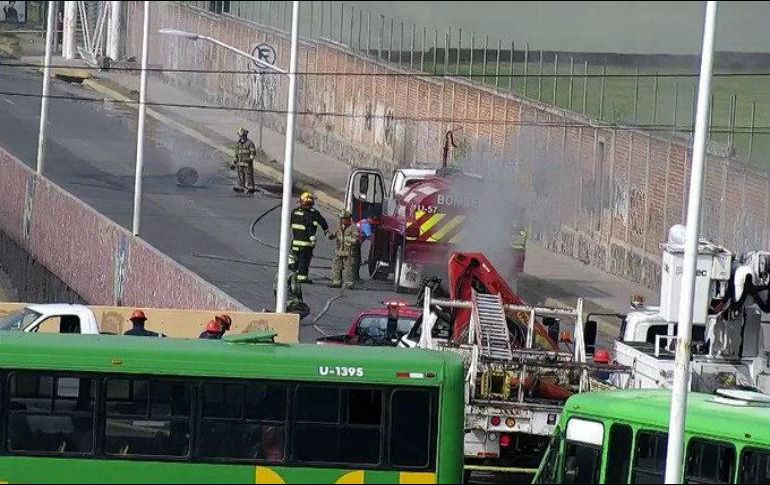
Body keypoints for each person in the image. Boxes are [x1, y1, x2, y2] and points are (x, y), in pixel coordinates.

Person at [290, 192, 328, 283]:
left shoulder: (294, 212)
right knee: (304, 260)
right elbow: (321, 222)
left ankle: (293, 266)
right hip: (306, 243)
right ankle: (302, 277)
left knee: (296, 256)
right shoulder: (313, 213)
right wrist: (325, 230)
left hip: (295, 241)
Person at [328, 210, 360, 289]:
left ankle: (349, 283)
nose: (342, 220)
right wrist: (330, 235)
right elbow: (334, 235)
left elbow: (355, 239)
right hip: (339, 251)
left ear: (348, 219)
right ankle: (336, 282)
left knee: (349, 268)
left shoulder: (353, 228)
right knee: (336, 266)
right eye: (341, 219)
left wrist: (349, 240)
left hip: (349, 252)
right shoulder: (339, 227)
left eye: (343, 219)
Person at [231, 127, 257, 194]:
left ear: (246, 135)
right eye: (241, 136)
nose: (242, 137)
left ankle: (250, 187)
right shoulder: (238, 144)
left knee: (249, 174)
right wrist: (234, 163)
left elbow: (253, 153)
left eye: (243, 136)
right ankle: (241, 186)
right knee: (240, 174)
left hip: (247, 163)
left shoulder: (250, 143)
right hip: (240, 163)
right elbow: (236, 155)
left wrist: (249, 159)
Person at [353, 215, 375, 282]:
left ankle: (354, 277)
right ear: (369, 218)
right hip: (355, 243)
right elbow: (370, 237)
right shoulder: (367, 225)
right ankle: (355, 278)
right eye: (373, 219)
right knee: (356, 261)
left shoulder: (362, 221)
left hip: (352, 242)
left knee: (354, 261)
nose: (373, 221)